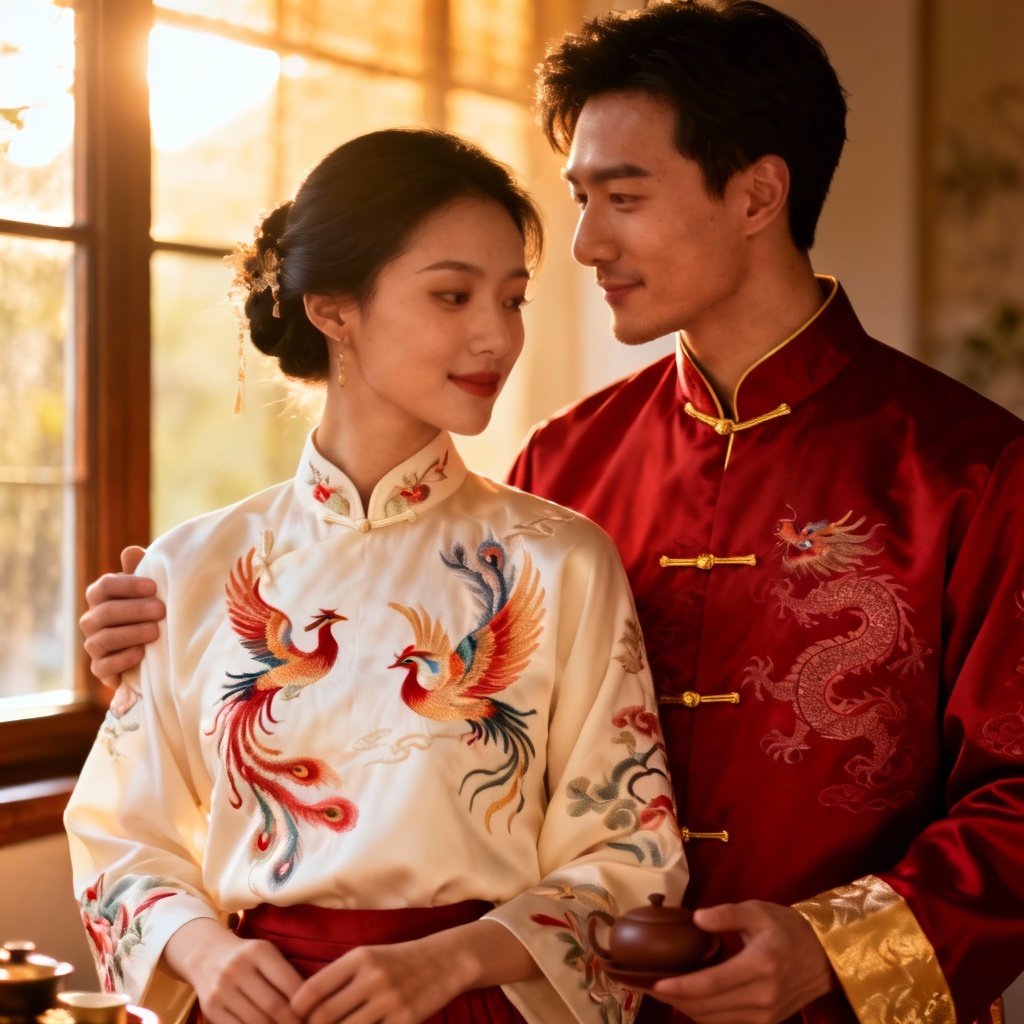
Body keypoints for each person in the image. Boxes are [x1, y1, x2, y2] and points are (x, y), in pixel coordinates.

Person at [79, 3, 1024, 1023]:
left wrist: (829, 949)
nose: (585, 244)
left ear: (757, 194)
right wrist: (172, 636)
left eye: (623, 197)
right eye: (579, 199)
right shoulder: (567, 459)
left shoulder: (971, 470)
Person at [65, 127, 687, 1024]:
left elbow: (631, 856)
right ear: (333, 310)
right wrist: (205, 954)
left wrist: (452, 959)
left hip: (475, 1003)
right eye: (452, 295)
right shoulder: (191, 567)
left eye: (512, 299)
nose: (497, 335)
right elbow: (121, 832)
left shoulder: (559, 559)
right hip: (252, 1005)